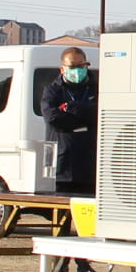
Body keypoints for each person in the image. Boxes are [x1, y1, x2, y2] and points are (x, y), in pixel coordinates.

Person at [40, 48, 99, 194]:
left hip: (91, 165)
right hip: (63, 164)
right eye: (72, 67)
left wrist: (72, 108)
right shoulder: (52, 91)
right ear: (62, 69)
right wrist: (85, 120)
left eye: (81, 66)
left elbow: (100, 114)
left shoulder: (97, 88)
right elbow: (53, 118)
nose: (77, 71)